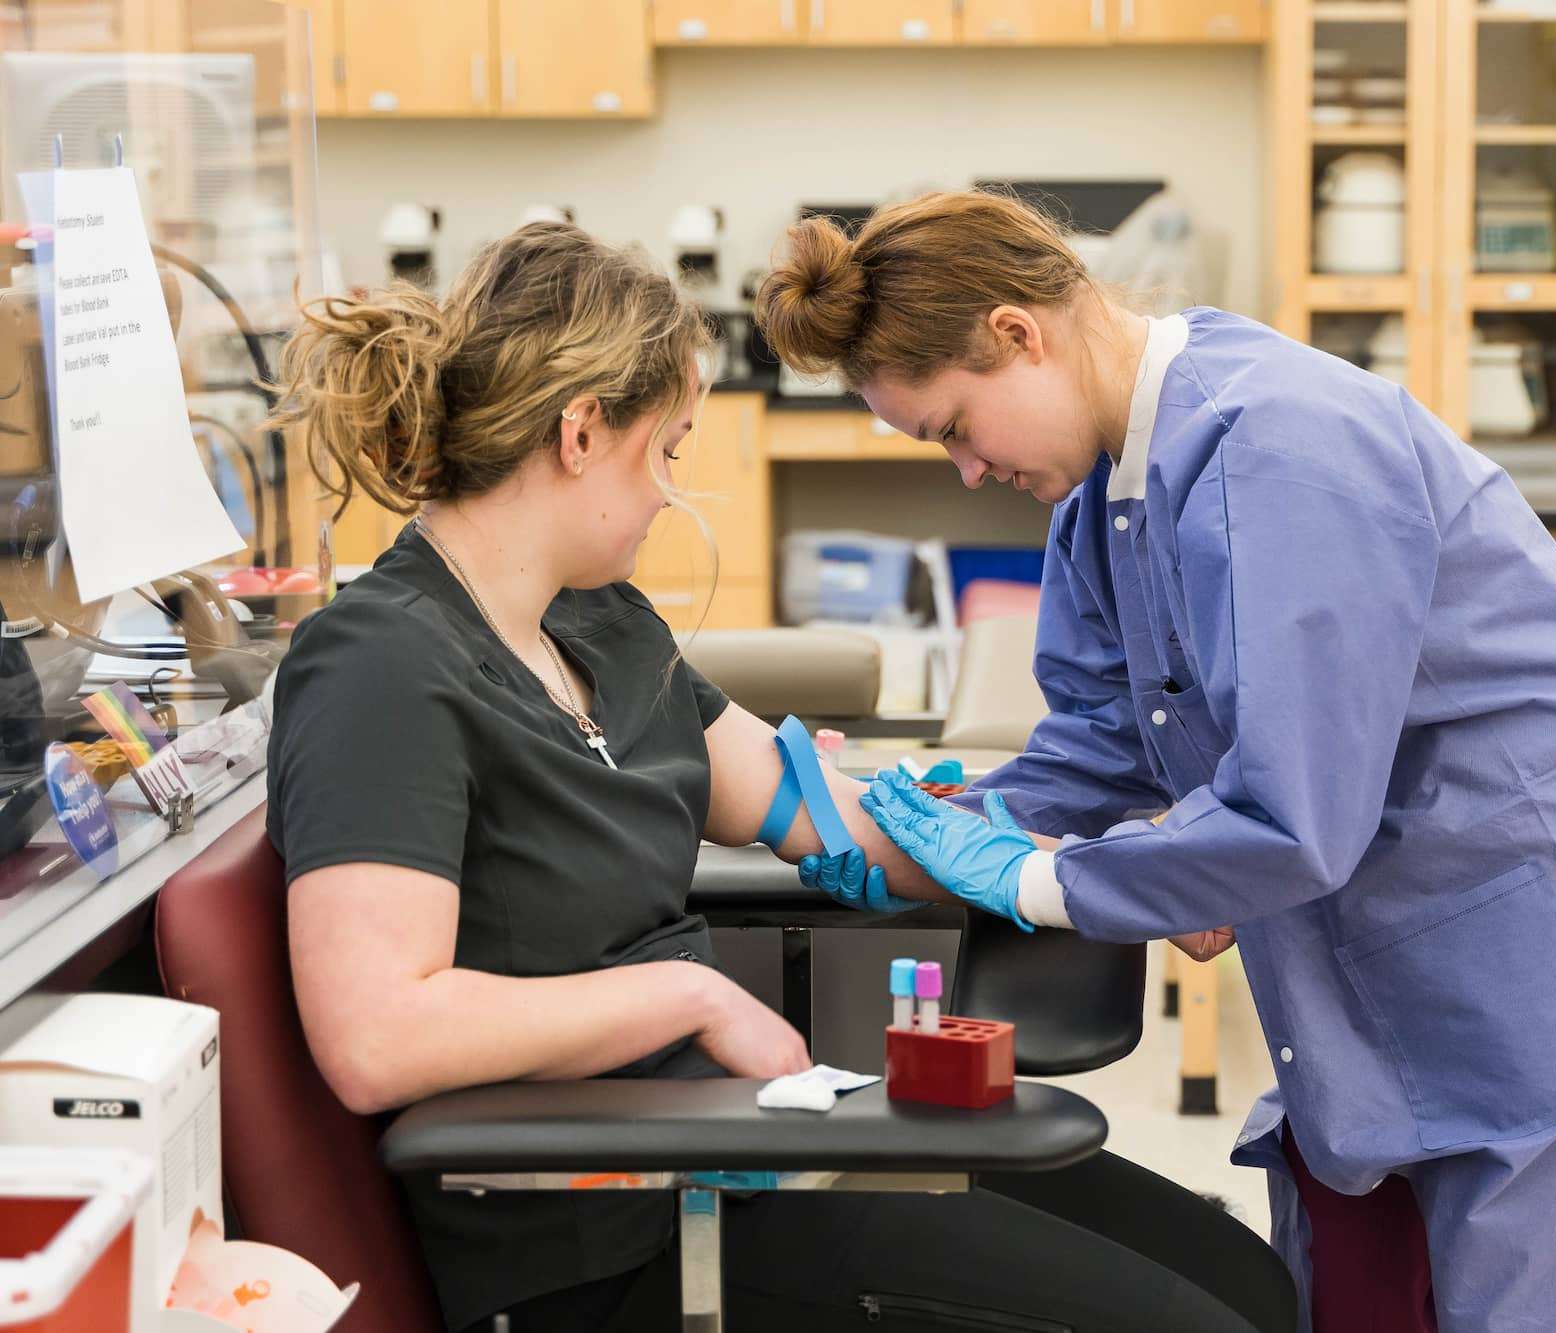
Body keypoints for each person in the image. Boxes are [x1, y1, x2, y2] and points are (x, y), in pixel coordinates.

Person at [756, 191, 1556, 1333]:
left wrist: (1034, 879)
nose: (965, 472)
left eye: (953, 430)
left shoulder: (1278, 443)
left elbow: (1290, 817)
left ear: (1018, 333)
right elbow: (1100, 745)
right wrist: (924, 815)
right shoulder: (1106, 497)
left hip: (1537, 941)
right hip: (1371, 952)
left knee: (1555, 1294)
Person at [266, 221, 1293, 1333]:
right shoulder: (379, 666)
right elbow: (379, 1038)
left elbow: (830, 818)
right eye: (665, 451)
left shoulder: (598, 627)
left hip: (740, 1144)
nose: (669, 495)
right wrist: (691, 992)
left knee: (1241, 1283)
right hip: (604, 1227)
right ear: (578, 433)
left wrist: (1110, 868)